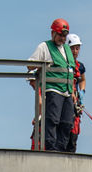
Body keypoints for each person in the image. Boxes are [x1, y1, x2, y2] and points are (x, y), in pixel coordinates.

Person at [27, 19, 77, 153]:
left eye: (64, 36)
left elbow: (70, 71)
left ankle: (61, 149)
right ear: (53, 33)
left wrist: (72, 91)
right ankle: (50, 148)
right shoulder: (44, 47)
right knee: (52, 120)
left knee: (67, 123)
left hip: (67, 92)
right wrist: (39, 70)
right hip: (53, 90)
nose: (62, 38)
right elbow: (30, 65)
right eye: (60, 35)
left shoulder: (67, 49)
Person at [65, 34, 86, 153]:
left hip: (75, 103)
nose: (75, 51)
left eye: (77, 48)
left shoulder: (80, 66)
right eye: (72, 48)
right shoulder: (63, 64)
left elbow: (82, 79)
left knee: (73, 134)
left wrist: (82, 92)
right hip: (63, 98)